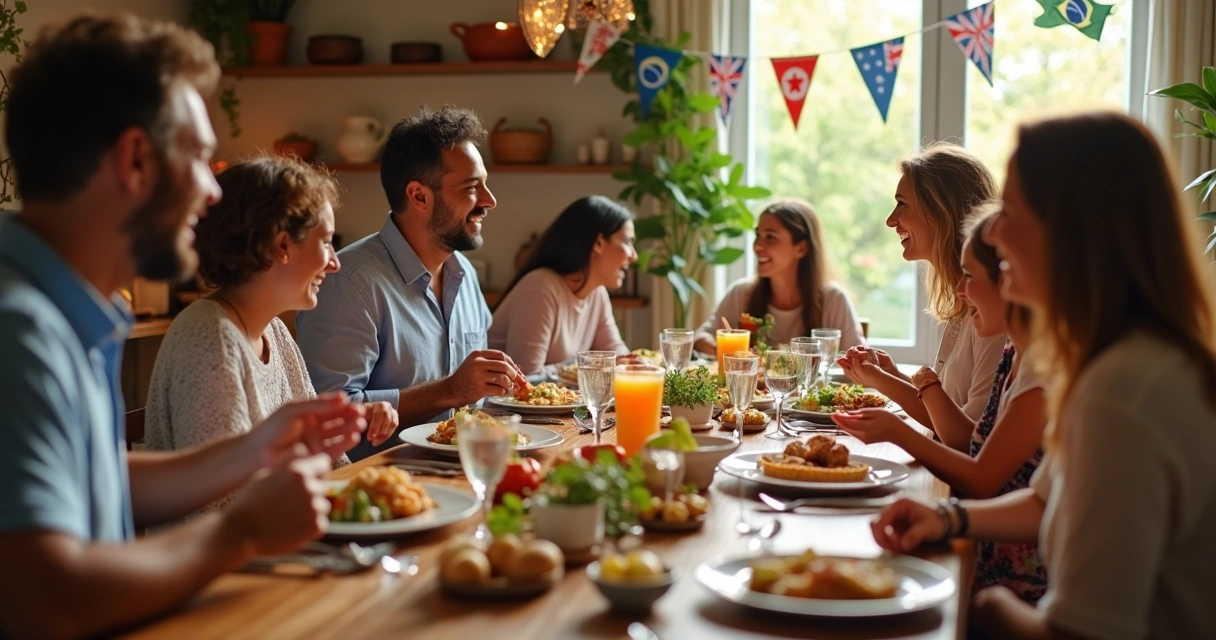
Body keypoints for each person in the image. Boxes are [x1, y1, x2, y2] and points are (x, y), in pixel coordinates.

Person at [0, 14, 365, 638]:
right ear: (136, 160)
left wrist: (254, 449)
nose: (212, 191)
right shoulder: (19, 332)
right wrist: (241, 530)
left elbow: (96, 476)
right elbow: (45, 599)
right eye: (198, 157)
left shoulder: (64, 311)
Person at [870, 112, 1216, 639]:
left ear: (1073, 230)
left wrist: (985, 609)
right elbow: (1044, 500)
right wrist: (948, 519)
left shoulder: (1122, 391)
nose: (993, 230)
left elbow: (1079, 633)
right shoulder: (1117, 358)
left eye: (1011, 210)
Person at [144, 157, 399, 501]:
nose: (335, 262)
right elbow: (224, 500)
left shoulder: (274, 331)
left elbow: (321, 462)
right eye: (326, 242)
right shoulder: (209, 336)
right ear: (282, 245)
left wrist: (350, 427)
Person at [833, 206, 1046, 602]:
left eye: (970, 277)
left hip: (1010, 576)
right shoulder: (1013, 353)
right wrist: (891, 381)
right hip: (978, 542)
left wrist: (898, 431)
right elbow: (976, 444)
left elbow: (981, 476)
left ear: (1009, 280)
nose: (960, 290)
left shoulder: (1041, 369)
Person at [296, 106, 524, 461]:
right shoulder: (347, 282)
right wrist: (449, 390)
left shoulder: (464, 273)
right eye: (471, 187)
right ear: (419, 196)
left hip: (465, 473)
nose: (489, 200)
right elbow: (328, 418)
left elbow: (477, 399)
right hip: (378, 484)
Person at [839, 144, 1006, 430]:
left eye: (902, 203)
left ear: (941, 212)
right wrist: (888, 376)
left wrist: (885, 389)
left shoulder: (992, 310)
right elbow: (946, 417)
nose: (890, 220)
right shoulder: (961, 300)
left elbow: (970, 439)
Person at [693, 199, 865, 354]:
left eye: (770, 237)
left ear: (801, 248)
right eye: (758, 235)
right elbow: (701, 337)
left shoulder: (834, 300)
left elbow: (860, 358)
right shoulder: (741, 293)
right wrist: (727, 350)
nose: (757, 246)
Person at [488, 195, 635, 375]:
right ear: (598, 243)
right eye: (628, 242)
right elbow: (526, 376)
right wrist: (587, 365)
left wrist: (635, 365)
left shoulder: (597, 292)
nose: (633, 256)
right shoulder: (540, 288)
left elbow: (614, 351)